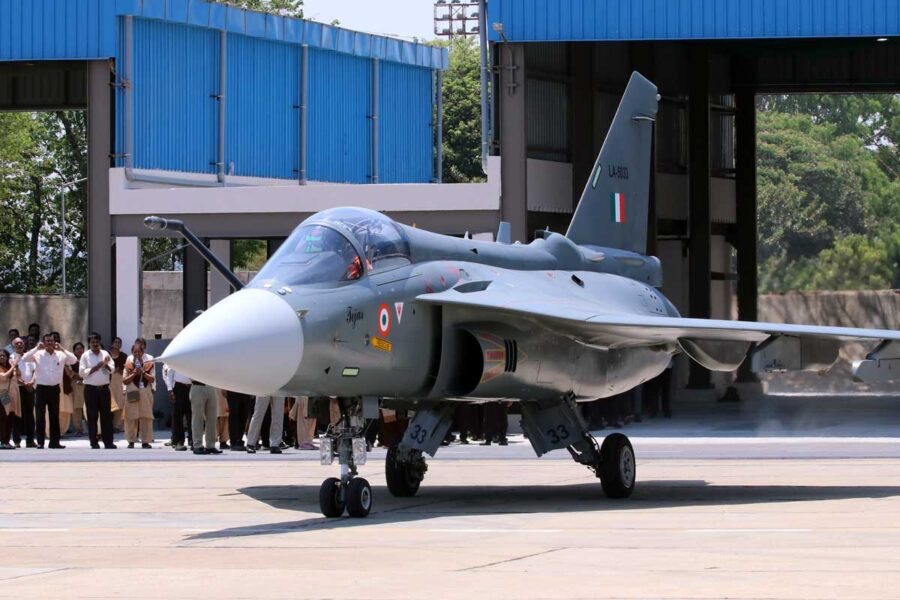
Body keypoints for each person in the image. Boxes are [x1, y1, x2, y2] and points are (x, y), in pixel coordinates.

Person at [22, 333, 78, 449]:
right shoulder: (38, 354)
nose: (49, 343)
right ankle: (40, 442)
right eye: (47, 341)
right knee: (40, 416)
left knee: (54, 416)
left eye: (51, 341)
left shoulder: (61, 355)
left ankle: (54, 442)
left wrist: (62, 348)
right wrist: (36, 348)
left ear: (54, 342)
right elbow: (24, 358)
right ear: (43, 342)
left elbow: (73, 360)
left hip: (55, 389)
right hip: (41, 389)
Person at [79, 333, 116, 449]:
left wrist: (105, 366)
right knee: (92, 416)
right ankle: (93, 442)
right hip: (90, 390)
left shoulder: (105, 354)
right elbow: (82, 373)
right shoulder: (85, 356)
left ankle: (108, 442)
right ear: (89, 343)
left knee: (106, 416)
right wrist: (96, 367)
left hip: (104, 389)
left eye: (97, 342)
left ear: (100, 342)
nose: (95, 344)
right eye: (92, 342)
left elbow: (112, 369)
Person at [122, 342, 154, 448]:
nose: (137, 354)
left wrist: (143, 372)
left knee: (146, 417)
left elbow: (152, 379)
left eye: (139, 352)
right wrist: (135, 373)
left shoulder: (149, 364)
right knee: (130, 417)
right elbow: (125, 381)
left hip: (145, 392)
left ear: (142, 352)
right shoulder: (128, 365)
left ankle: (145, 441)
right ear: (132, 353)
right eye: (135, 352)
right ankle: (131, 440)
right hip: (132, 391)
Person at [11, 337, 35, 447]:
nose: (19, 345)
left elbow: (35, 371)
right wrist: (25, 384)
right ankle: (17, 441)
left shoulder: (29, 357)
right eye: (17, 343)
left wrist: (31, 382)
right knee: (17, 415)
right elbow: (14, 373)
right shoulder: (11, 357)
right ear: (13, 346)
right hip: (17, 389)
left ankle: (30, 440)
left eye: (21, 343)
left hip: (29, 388)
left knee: (30, 415)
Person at [163, 364, 192, 451]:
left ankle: (193, 440)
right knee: (177, 416)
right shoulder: (177, 357)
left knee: (191, 415)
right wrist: (170, 389)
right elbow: (169, 374)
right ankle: (179, 441)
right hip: (179, 387)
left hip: (191, 387)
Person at [189, 380, 221, 455]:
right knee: (197, 417)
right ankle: (197, 445)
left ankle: (210, 445)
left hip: (211, 386)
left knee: (212, 417)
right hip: (198, 385)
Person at [0, 349, 21, 449]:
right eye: (0, 356)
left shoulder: (9, 366)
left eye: (4, 356)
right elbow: (4, 377)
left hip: (13, 396)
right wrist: (13, 366)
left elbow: (18, 375)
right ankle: (3, 441)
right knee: (3, 418)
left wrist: (15, 366)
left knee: (10, 418)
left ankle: (7, 441)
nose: (2, 357)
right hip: (3, 395)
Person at [108, 337, 127, 432]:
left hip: (119, 382)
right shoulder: (106, 355)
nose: (117, 344)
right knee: (109, 403)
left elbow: (127, 370)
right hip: (109, 382)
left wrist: (121, 371)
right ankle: (107, 425)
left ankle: (116, 426)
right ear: (111, 344)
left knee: (120, 403)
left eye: (119, 342)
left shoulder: (124, 356)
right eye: (115, 342)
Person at [68, 342, 86, 436]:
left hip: (87, 384)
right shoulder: (72, 361)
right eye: (77, 349)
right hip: (76, 385)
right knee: (77, 408)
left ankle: (92, 428)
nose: (79, 350)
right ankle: (78, 429)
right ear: (74, 351)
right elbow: (70, 372)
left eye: (81, 348)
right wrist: (77, 376)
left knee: (88, 407)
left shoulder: (87, 359)